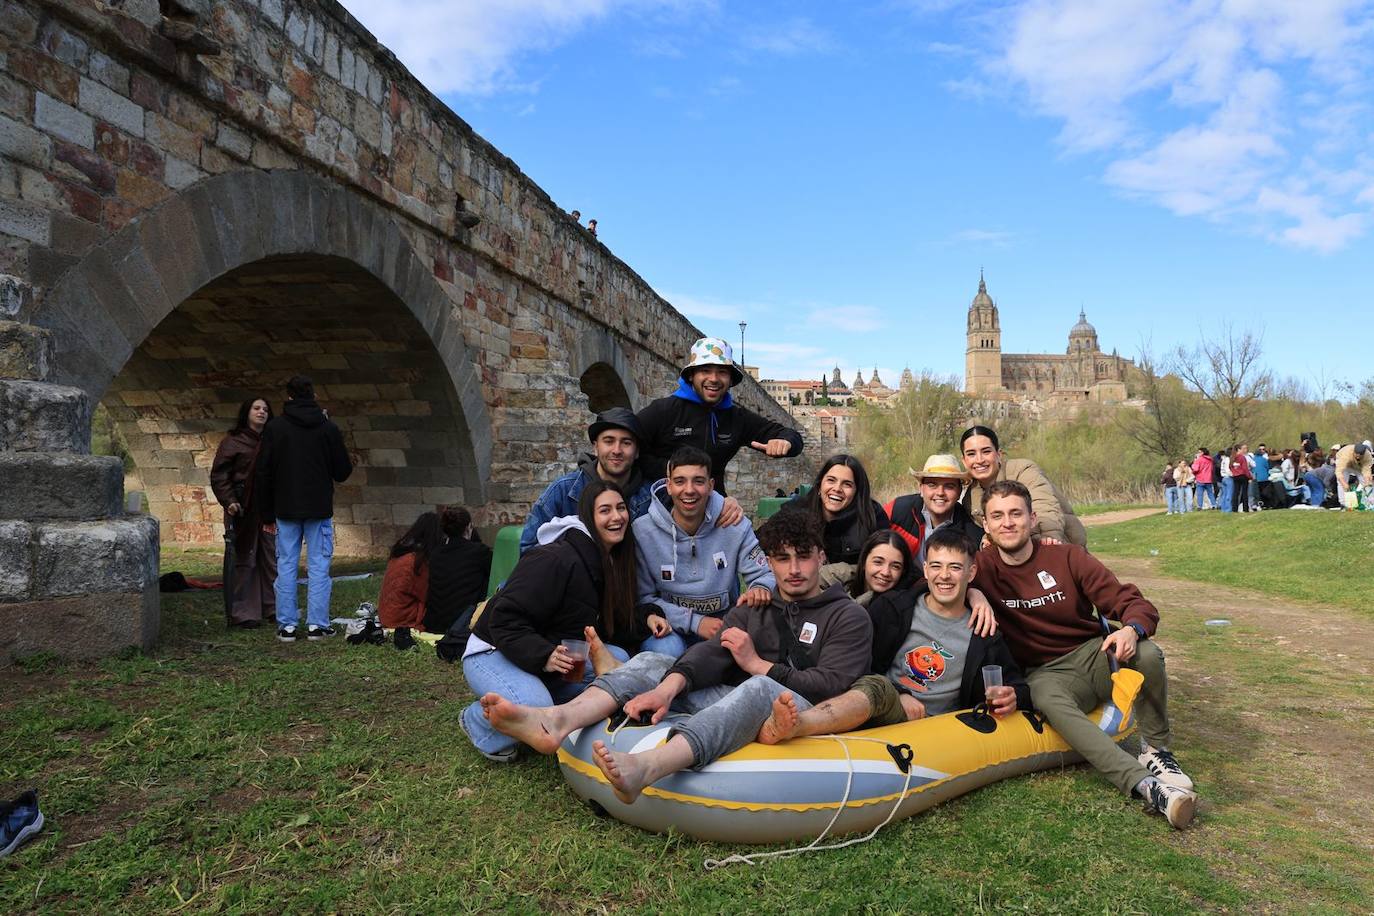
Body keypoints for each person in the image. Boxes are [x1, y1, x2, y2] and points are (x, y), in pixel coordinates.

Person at [478, 510, 874, 804]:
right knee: (657, 663)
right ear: (768, 563)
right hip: (731, 702)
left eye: (803, 557)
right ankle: (557, 719)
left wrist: (758, 665)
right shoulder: (755, 606)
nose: (793, 569)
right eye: (782, 559)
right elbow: (711, 653)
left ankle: (648, 767)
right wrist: (668, 689)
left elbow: (831, 686)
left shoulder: (848, 615)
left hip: (798, 712)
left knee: (758, 687)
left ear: (821, 558)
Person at [973, 480, 1199, 828]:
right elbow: (938, 582)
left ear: (1033, 519)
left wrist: (1129, 629)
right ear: (985, 525)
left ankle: (1156, 751)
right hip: (1045, 672)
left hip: (1092, 653)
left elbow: (1134, 603)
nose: (1008, 523)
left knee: (1148, 653)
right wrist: (974, 594)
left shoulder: (1066, 556)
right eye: (997, 516)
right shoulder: (980, 567)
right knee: (1047, 700)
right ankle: (1146, 786)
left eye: (1016, 513)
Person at [757, 528, 1027, 743]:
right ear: (925, 569)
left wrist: (1012, 695)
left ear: (971, 572)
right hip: (882, 702)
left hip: (934, 727)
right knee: (879, 686)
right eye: (936, 566)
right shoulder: (893, 608)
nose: (944, 576)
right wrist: (899, 693)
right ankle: (795, 724)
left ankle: (796, 724)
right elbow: (862, 662)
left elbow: (1017, 684)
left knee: (879, 688)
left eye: (955, 568)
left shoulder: (983, 630)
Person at [460, 480, 666, 762]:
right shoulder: (555, 558)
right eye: (605, 510)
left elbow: (610, 623)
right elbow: (503, 619)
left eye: (621, 508)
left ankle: (530, 703)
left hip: (554, 654)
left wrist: (648, 617)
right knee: (536, 707)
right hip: (494, 650)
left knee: (618, 660)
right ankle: (478, 721)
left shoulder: (609, 558)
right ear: (588, 517)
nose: (616, 517)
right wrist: (544, 655)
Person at [634, 446, 775, 658]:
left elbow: (764, 573)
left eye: (698, 481)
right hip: (670, 625)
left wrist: (761, 587)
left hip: (723, 624)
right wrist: (695, 622)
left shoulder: (734, 524)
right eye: (680, 481)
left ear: (710, 486)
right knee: (665, 650)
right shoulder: (643, 531)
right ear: (669, 485)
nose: (689, 490)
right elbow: (643, 598)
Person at [635, 337, 803, 495]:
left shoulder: (737, 418)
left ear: (730, 380)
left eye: (722, 372)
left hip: (713, 504)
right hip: (661, 501)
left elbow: (791, 436)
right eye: (705, 370)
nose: (714, 379)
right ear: (692, 376)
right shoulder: (664, 410)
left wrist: (786, 442)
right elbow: (629, 449)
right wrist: (671, 469)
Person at [256, 375, 353, 642]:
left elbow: (263, 472)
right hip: (318, 507)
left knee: (286, 564)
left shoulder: (275, 428)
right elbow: (343, 471)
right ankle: (317, 625)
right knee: (319, 565)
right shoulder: (327, 428)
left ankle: (287, 625)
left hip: (285, 507)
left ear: (288, 397)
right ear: (314, 395)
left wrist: (266, 512)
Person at [210, 397, 278, 628]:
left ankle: (274, 607)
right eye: (256, 408)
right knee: (245, 558)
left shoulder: (273, 440)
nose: (261, 412)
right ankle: (244, 612)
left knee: (271, 558)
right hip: (242, 508)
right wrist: (229, 501)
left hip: (268, 507)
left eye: (265, 409)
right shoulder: (233, 442)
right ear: (247, 412)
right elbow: (220, 476)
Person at [958, 425, 1086, 545]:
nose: (979, 460)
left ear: (999, 455)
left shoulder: (1023, 470)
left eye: (986, 451)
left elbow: (1043, 505)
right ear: (964, 461)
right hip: (1015, 556)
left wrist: (1048, 538)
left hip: (1060, 543)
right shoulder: (970, 499)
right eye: (971, 454)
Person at [782, 454, 890, 584]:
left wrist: (838, 571)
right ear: (820, 484)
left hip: (854, 594)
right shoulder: (795, 513)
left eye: (847, 484)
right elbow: (762, 548)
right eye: (831, 480)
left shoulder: (872, 516)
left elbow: (886, 562)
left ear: (857, 491)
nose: (837, 489)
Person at [883, 454, 984, 566]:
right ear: (921, 488)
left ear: (959, 492)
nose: (940, 493)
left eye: (949, 486)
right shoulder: (897, 510)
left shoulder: (970, 530)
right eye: (932, 485)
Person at [378, 512, 445, 648]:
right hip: (400, 616)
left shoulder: (402, 552)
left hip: (386, 613)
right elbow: (426, 594)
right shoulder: (416, 561)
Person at [424, 506, 493, 639]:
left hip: (434, 624)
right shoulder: (479, 552)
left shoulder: (435, 553)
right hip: (463, 623)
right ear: (468, 527)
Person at [1334, 441, 1373, 506]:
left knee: (1367, 482)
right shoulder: (1346, 454)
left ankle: (1370, 502)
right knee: (1342, 482)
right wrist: (1344, 483)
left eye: (1360, 456)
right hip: (1343, 463)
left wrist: (1367, 481)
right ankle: (1343, 504)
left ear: (1363, 454)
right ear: (1354, 452)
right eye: (1356, 455)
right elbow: (1339, 471)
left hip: (1357, 465)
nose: (1358, 457)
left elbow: (1366, 471)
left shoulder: (1368, 456)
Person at [1229, 443, 1253, 513]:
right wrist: (1250, 477)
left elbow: (1230, 467)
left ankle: (1234, 508)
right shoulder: (1242, 457)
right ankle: (1245, 508)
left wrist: (1234, 472)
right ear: (1239, 449)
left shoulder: (1232, 457)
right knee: (1244, 492)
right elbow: (1245, 468)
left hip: (1235, 476)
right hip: (1242, 475)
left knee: (1236, 492)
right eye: (1241, 449)